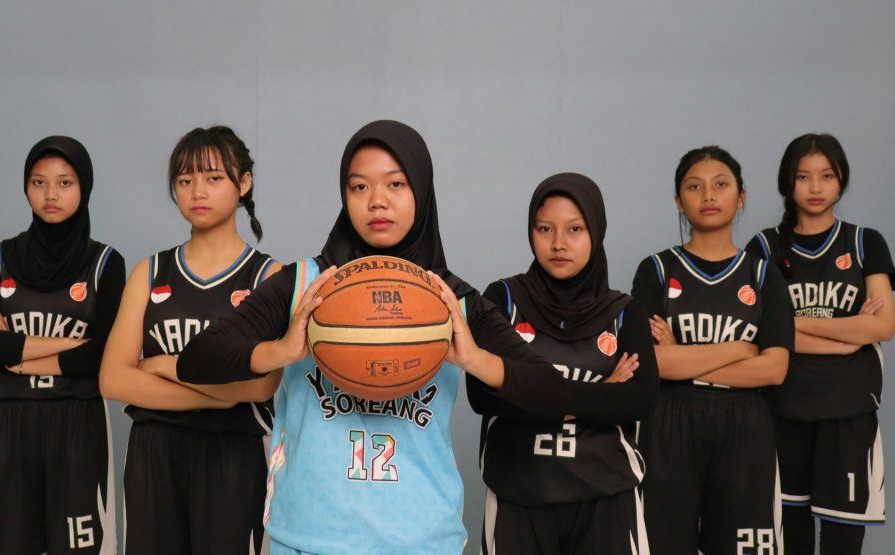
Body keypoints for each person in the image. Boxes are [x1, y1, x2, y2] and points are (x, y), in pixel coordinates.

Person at [173, 119, 625, 555]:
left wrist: (474, 359)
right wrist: (282, 349)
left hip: (421, 537)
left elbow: (549, 391)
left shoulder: (450, 298)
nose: (376, 201)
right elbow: (195, 360)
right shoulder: (302, 284)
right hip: (310, 535)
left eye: (396, 184)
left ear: (421, 192)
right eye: (359, 186)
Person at [0, 136, 125, 555]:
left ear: (84, 188)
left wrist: (17, 355)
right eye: (38, 182)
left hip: (76, 421)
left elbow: (105, 354)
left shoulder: (106, 263)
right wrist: (67, 346)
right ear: (25, 188)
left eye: (65, 183)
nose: (50, 194)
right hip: (4, 421)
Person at [100, 126, 281, 554]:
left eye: (214, 178)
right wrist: (218, 394)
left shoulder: (267, 278)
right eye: (185, 180)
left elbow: (261, 386)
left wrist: (168, 366)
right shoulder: (151, 271)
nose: (198, 190)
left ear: (244, 183)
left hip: (233, 455)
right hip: (153, 454)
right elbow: (112, 380)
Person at [467, 172, 657, 555]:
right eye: (544, 228)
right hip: (519, 492)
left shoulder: (624, 313)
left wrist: (531, 390)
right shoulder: (502, 300)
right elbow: (483, 396)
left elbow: (638, 401)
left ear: (596, 232)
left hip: (606, 494)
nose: (558, 243)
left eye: (574, 229)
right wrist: (599, 395)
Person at [631, 145, 792, 555]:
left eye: (721, 185)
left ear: (741, 197)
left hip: (744, 427)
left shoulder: (762, 274)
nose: (708, 196)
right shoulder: (656, 270)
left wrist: (686, 358)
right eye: (694, 186)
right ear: (678, 201)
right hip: (668, 422)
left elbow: (774, 370)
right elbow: (656, 364)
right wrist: (741, 348)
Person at [746, 133, 894, 554]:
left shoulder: (865, 242)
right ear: (786, 182)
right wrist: (847, 337)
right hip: (782, 408)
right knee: (786, 537)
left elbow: (883, 326)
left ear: (841, 179)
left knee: (843, 539)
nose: (815, 187)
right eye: (803, 177)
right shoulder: (765, 246)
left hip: (848, 413)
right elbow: (758, 329)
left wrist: (793, 326)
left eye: (826, 176)